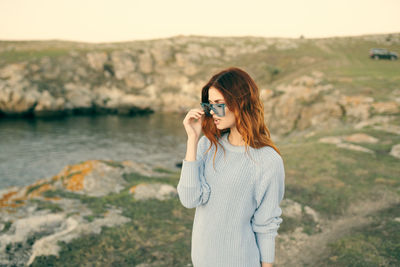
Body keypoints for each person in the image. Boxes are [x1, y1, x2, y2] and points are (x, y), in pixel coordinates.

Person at [177, 67, 285, 267]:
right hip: (201, 260)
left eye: (219, 104)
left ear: (240, 103)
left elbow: (266, 224)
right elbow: (189, 199)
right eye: (209, 105)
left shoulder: (268, 160)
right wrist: (192, 139)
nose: (212, 112)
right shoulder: (206, 145)